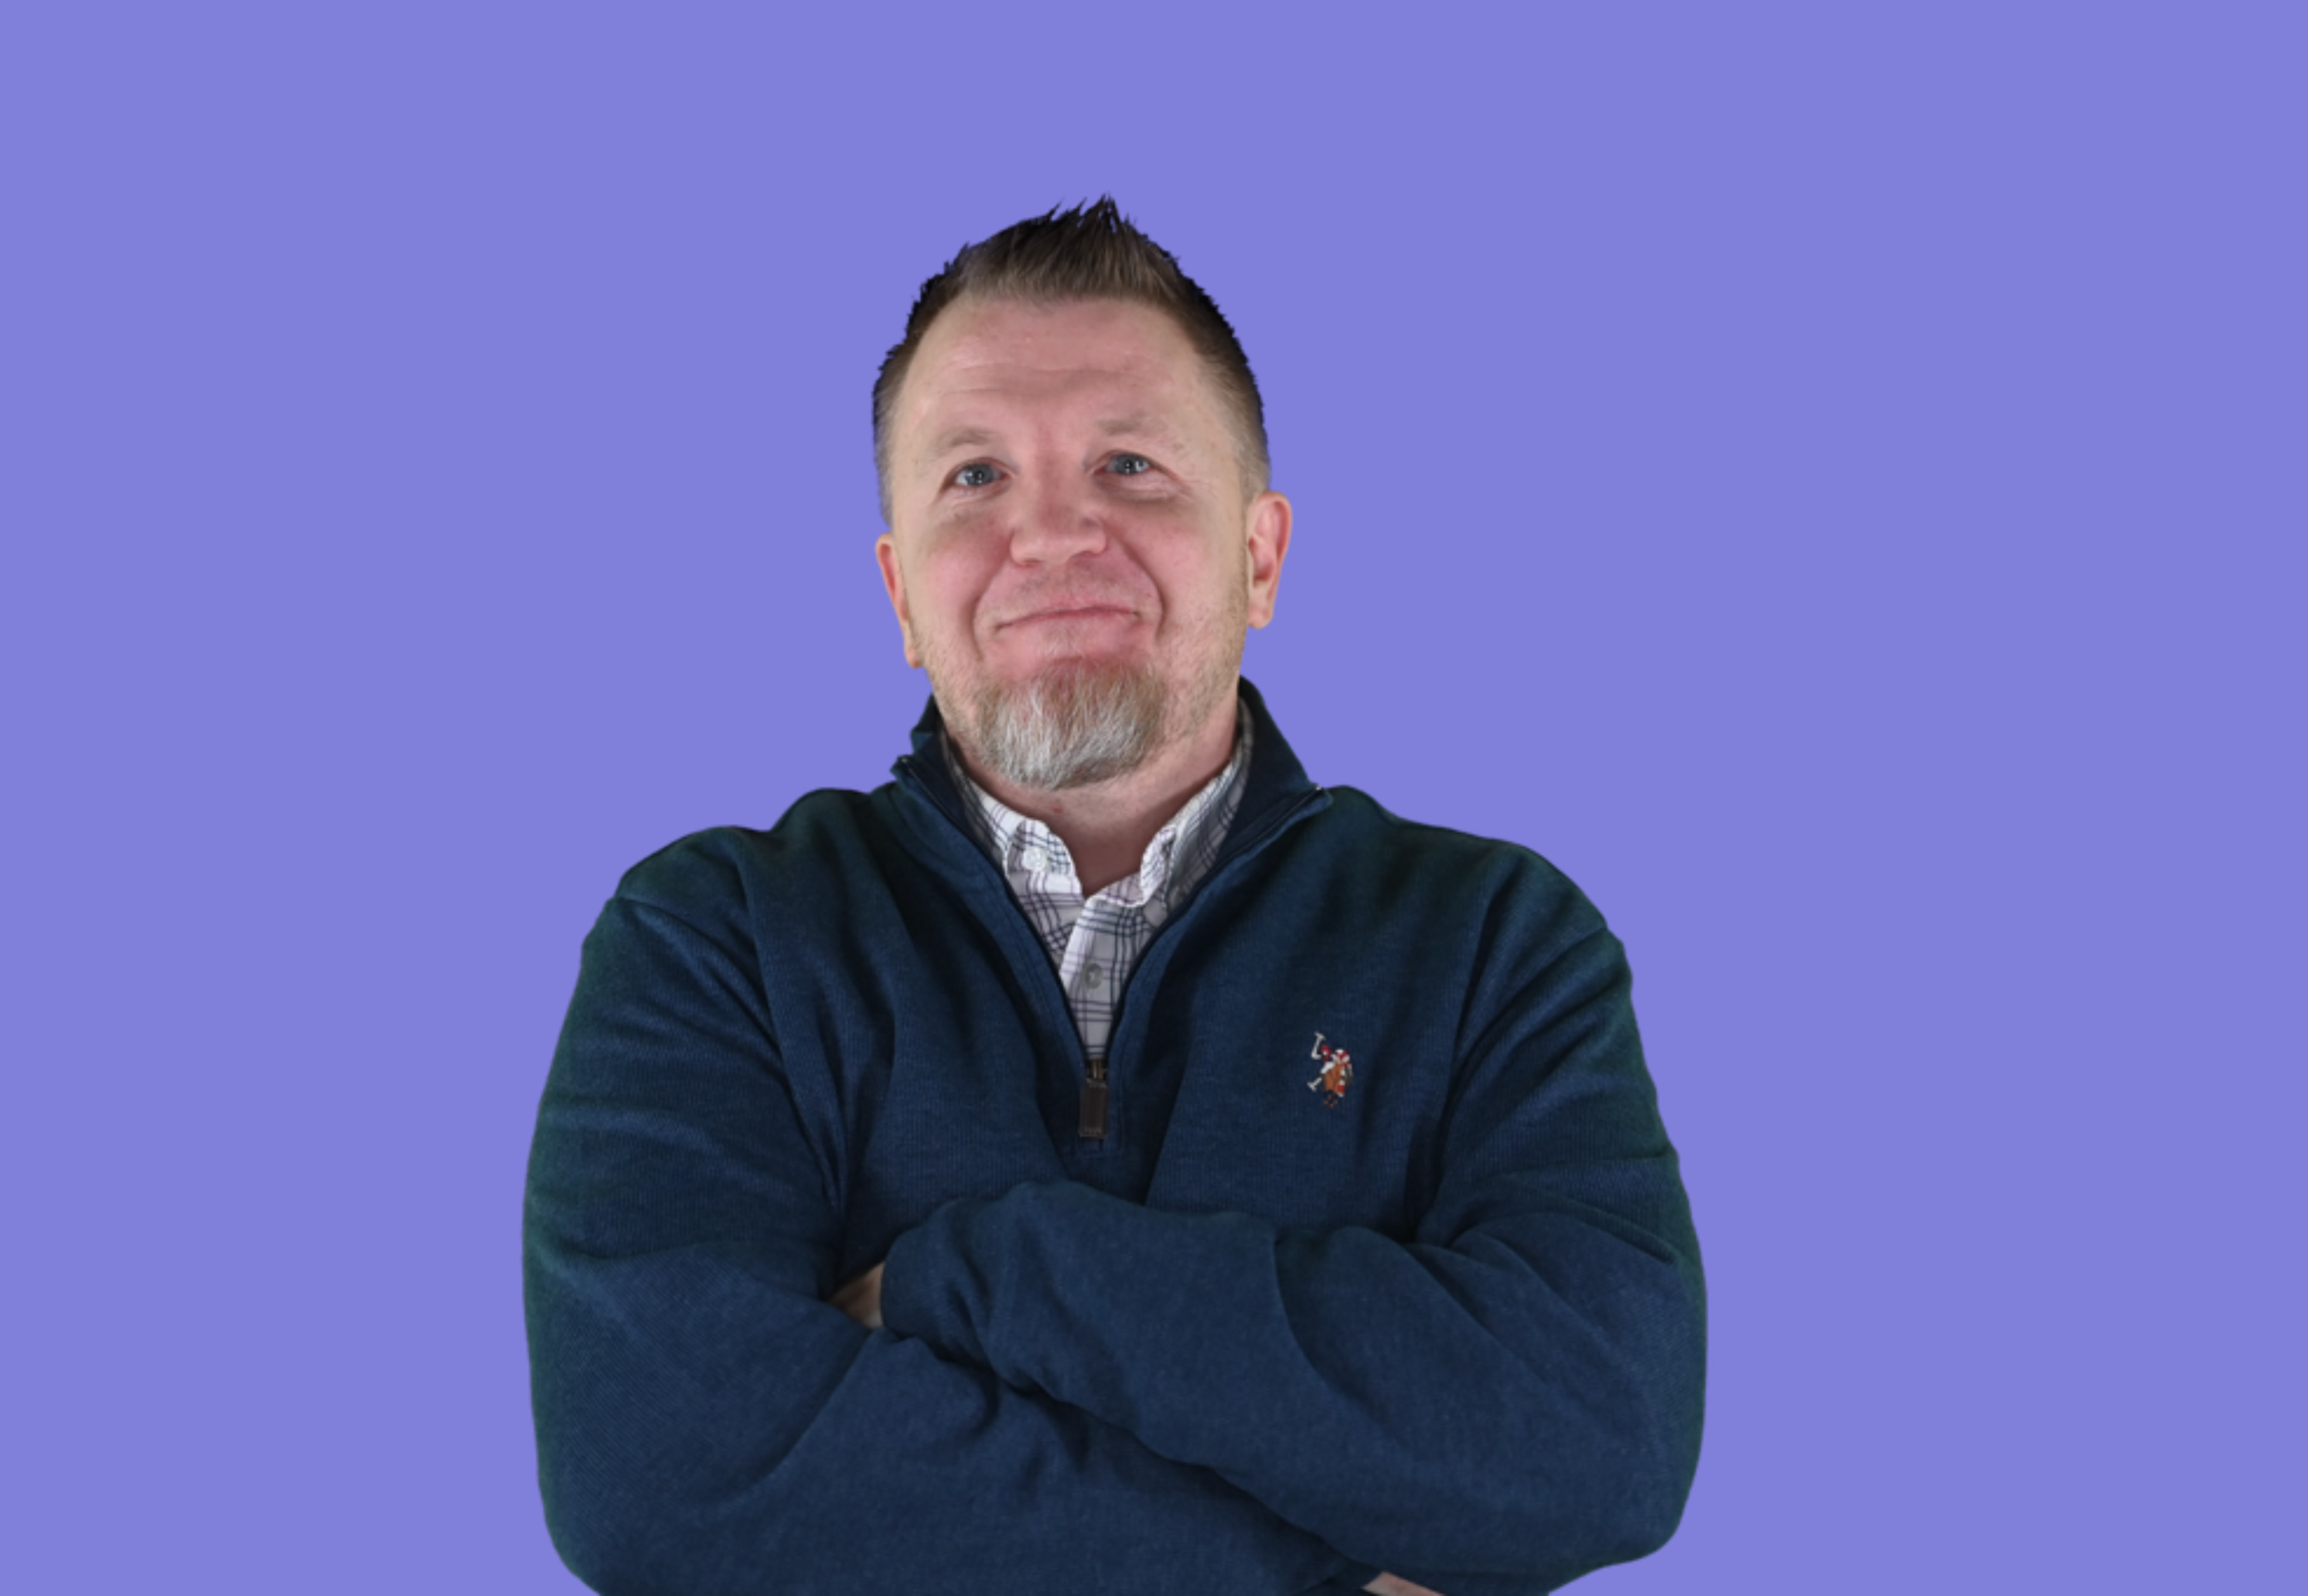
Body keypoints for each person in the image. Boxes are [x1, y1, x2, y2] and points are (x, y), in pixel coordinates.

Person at [522, 197, 1706, 1596]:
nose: (1052, 533)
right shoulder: (715, 941)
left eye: (1128, 464)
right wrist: (1336, 1559)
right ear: (900, 596)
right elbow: (658, 1480)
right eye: (974, 476)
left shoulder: (1493, 945)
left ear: (1259, 557)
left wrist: (981, 1274)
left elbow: (1600, 1440)